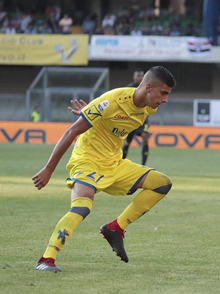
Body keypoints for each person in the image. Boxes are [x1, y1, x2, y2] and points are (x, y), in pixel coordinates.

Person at [32, 66, 176, 273]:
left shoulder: (149, 107)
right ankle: (46, 259)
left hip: (114, 163)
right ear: (148, 87)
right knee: (82, 207)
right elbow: (72, 131)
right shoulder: (112, 101)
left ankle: (115, 228)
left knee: (161, 183)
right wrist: (48, 169)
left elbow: (112, 125)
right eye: (163, 93)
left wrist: (91, 112)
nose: (165, 100)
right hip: (87, 160)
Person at [122, 69, 150, 165]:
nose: (140, 78)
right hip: (131, 119)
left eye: (141, 76)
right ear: (134, 77)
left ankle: (143, 165)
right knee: (127, 142)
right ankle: (120, 162)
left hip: (143, 118)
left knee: (145, 137)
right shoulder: (129, 88)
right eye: (138, 76)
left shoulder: (147, 88)